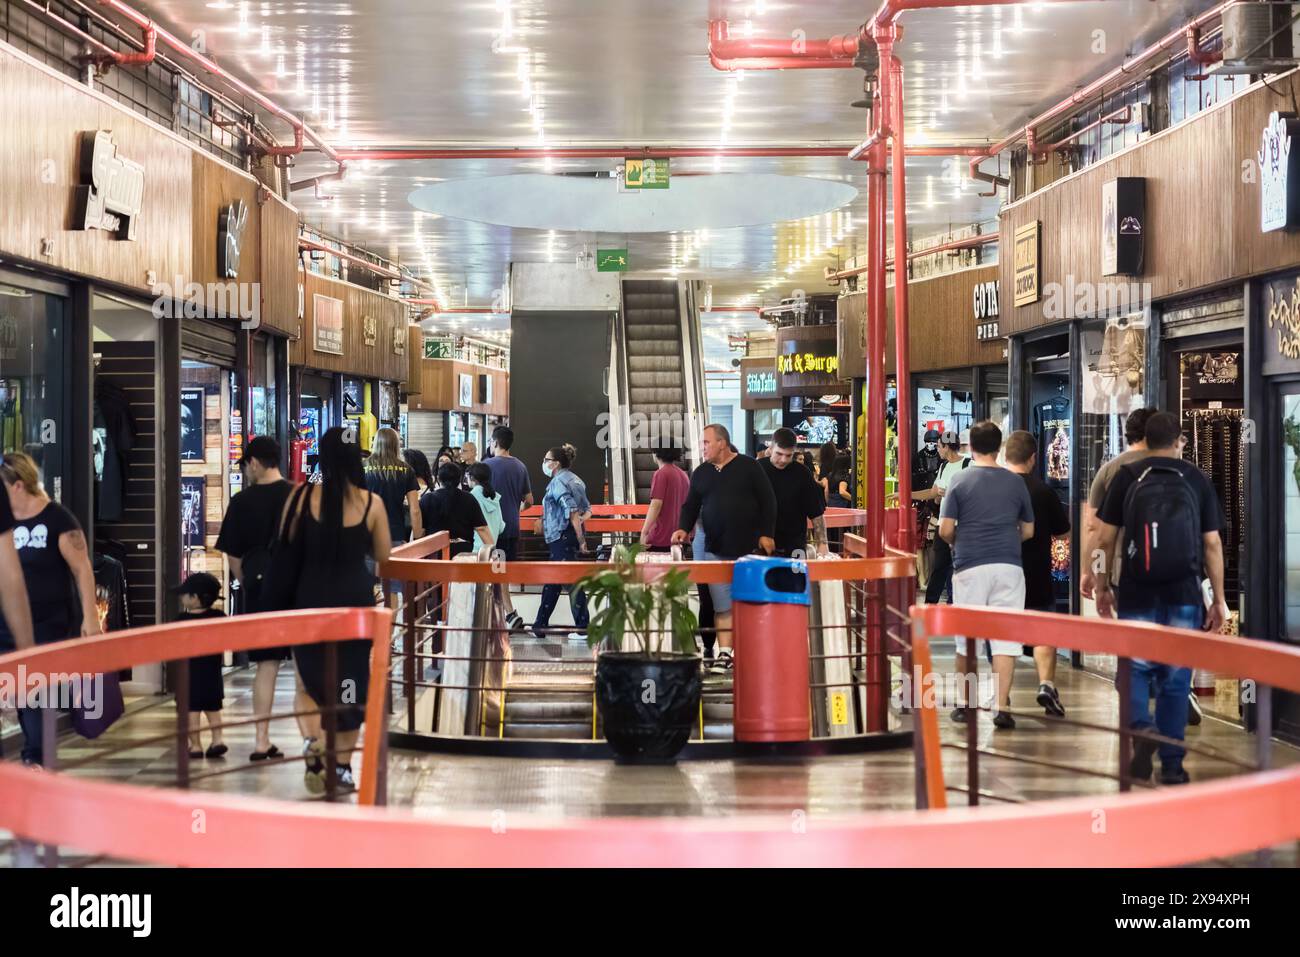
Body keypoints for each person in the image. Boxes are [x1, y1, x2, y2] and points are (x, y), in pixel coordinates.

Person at [1094, 411, 1228, 786]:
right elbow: (1212, 544)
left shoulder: (1126, 476)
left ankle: (1142, 729)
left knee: (1135, 670)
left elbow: (1104, 539)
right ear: (1179, 441)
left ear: (1144, 441)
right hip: (1184, 594)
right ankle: (1173, 766)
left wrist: (1102, 584)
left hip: (1136, 592)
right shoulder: (1196, 478)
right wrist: (1217, 599)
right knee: (1174, 679)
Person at [279, 426, 391, 793]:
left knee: (308, 683)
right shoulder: (370, 503)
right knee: (349, 685)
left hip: (307, 604)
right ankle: (340, 768)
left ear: (323, 458)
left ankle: (313, 745)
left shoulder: (300, 498)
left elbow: (285, 546)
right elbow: (383, 557)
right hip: (353, 608)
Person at [938, 421, 1035, 730]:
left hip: (969, 566)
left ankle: (966, 705)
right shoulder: (1015, 482)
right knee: (1006, 639)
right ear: (999, 446)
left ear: (970, 446)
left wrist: (960, 542)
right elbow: (1029, 530)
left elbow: (945, 529)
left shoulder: (960, 481)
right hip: (1010, 567)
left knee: (967, 639)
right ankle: (1002, 706)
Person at [0, 452, 95, 765]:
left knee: (34, 693)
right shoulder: (4, 526)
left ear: (16, 486)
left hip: (48, 623)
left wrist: (90, 617)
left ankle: (36, 758)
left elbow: (82, 568)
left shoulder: (57, 519)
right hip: (5, 624)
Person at [215, 436, 297, 760]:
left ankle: (262, 740)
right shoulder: (299, 495)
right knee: (305, 670)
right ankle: (312, 744)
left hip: (261, 593)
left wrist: (248, 581)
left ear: (254, 462)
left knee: (266, 666)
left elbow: (233, 555)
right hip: (299, 592)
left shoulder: (242, 503)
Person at [673, 424, 776, 672]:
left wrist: (766, 534)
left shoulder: (750, 467)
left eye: (707, 442)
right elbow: (690, 505)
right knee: (722, 606)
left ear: (722, 442)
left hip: (749, 550)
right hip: (714, 550)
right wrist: (683, 528)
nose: (703, 447)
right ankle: (725, 653)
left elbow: (768, 501)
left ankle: (753, 652)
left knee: (749, 603)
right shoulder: (701, 473)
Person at [1003, 430, 1072, 718]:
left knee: (1003, 635)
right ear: (1033, 458)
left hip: (1004, 572)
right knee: (1043, 628)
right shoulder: (1044, 491)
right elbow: (1063, 532)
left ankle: (1002, 698)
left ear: (1006, 456)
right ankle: (1045, 684)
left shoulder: (997, 488)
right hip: (1037, 570)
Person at [1080, 406, 1154, 601]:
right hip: (1171, 571)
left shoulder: (1109, 471)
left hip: (1123, 571)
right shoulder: (1175, 467)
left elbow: (1095, 529)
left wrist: (1092, 571)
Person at [532, 445, 592, 641]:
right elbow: (587, 511)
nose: (544, 463)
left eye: (546, 459)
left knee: (570, 582)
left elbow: (572, 512)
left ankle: (583, 627)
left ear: (555, 463)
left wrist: (581, 541)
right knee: (555, 582)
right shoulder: (576, 480)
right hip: (569, 536)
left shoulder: (558, 482)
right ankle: (540, 624)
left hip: (562, 537)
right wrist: (580, 535)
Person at [172, 572, 227, 760]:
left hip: (188, 676)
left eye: (185, 594)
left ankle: (195, 746)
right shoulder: (219, 617)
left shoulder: (181, 620)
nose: (181, 597)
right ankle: (217, 740)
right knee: (213, 710)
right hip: (212, 675)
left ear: (194, 598)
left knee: (191, 712)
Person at [912, 430, 970, 605]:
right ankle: (930, 604)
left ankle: (957, 603)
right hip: (944, 522)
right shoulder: (944, 467)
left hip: (964, 525)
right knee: (939, 566)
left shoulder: (969, 464)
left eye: (939, 446)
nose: (937, 449)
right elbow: (932, 493)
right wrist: (906, 494)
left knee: (960, 567)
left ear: (946, 447)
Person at [485, 426, 534, 631]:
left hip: (490, 531)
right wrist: (516, 510)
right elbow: (530, 500)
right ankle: (506, 613)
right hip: (513, 528)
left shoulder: (486, 466)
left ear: (495, 442)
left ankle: (507, 614)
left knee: (496, 572)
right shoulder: (520, 467)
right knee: (502, 573)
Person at [760, 428, 828, 558]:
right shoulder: (757, 469)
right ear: (770, 447)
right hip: (762, 545)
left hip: (795, 546)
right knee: (765, 578)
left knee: (796, 576)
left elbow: (816, 513)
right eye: (779, 454)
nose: (784, 460)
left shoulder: (802, 473)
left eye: (788, 455)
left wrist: (822, 543)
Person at [420, 463, 494, 558]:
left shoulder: (427, 499)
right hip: (462, 551)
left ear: (438, 478)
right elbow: (482, 528)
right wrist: (493, 552)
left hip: (434, 550)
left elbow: (421, 530)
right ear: (459, 479)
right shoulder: (469, 499)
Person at [364, 427, 422, 545]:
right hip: (394, 534)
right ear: (396, 444)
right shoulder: (406, 469)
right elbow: (415, 510)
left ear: (375, 443)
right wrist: (417, 539)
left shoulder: (361, 467)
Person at [639, 447, 691, 552]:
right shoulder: (683, 475)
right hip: (680, 536)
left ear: (656, 453)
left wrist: (644, 532)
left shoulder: (661, 474)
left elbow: (656, 505)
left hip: (661, 536)